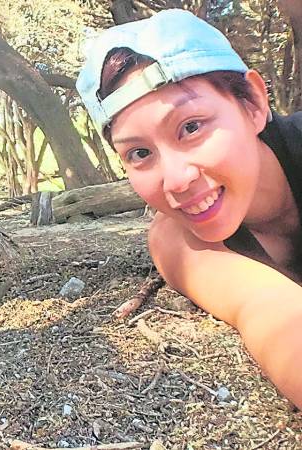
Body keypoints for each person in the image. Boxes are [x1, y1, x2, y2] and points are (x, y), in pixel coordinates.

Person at [77, 8, 302, 408]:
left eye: (191, 127)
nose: (175, 180)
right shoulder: (175, 240)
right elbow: (273, 312)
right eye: (140, 153)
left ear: (252, 103)